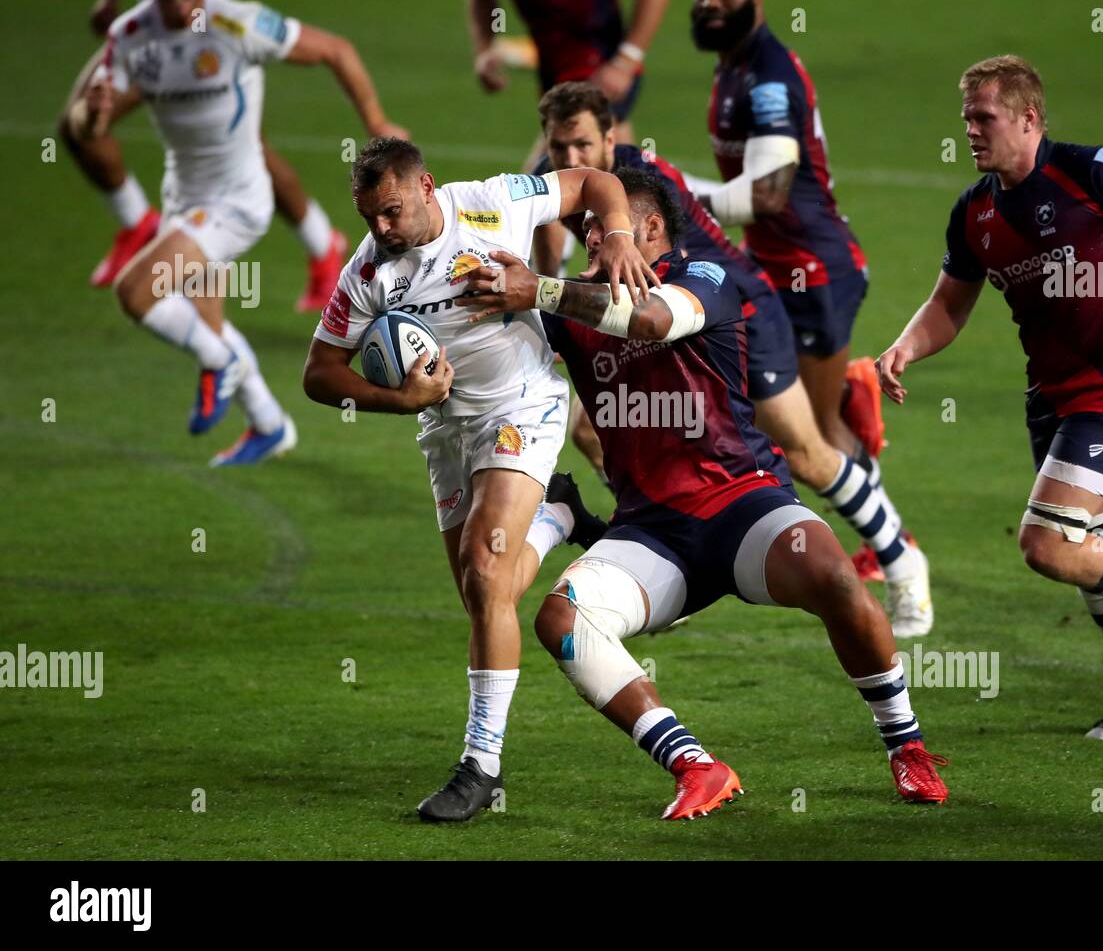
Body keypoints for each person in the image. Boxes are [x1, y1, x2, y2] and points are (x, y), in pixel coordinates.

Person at [457, 167, 951, 818]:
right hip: (653, 532)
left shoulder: (706, 277)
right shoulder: (570, 306)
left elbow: (653, 321)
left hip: (741, 502)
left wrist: (541, 288)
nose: (590, 240)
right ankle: (697, 764)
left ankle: (906, 743)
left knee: (833, 572)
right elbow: (495, 344)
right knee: (560, 618)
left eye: (600, 230)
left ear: (649, 229)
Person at [302, 137, 657, 822]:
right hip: (444, 429)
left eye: (393, 211)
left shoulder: (492, 204)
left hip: (523, 405)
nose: (381, 229)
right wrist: (401, 401)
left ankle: (481, 765)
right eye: (369, 215)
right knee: (480, 593)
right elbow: (319, 372)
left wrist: (614, 236)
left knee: (487, 572)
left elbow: (590, 180)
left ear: (428, 187)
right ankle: (556, 515)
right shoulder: (368, 273)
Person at [877, 55, 1103, 739]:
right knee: (1092, 551)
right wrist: (904, 346)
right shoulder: (975, 211)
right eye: (966, 119)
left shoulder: (1088, 171)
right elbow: (949, 304)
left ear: (1029, 117)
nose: (971, 131)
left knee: (1046, 543)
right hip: (1051, 397)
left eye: (985, 117)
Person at [530, 81, 935, 635]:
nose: (571, 159)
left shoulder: (643, 184)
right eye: (559, 149)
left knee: (806, 453)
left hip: (723, 313)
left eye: (581, 145)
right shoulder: (565, 190)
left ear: (609, 136)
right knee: (593, 427)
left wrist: (553, 295)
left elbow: (675, 283)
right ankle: (658, 537)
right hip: (647, 323)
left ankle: (901, 560)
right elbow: (548, 258)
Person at [69, 0, 402, 463]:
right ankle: (269, 423)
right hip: (184, 198)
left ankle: (218, 362)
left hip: (238, 202)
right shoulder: (132, 35)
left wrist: (375, 121)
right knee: (206, 323)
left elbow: (337, 50)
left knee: (137, 291)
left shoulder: (238, 25)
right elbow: (84, 127)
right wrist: (93, 114)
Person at [688, 0, 929, 605]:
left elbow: (767, 194)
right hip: (770, 270)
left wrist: (680, 197)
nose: (709, 3)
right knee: (800, 438)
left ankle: (897, 556)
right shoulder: (732, 65)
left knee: (811, 444)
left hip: (816, 274)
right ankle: (882, 543)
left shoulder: (766, 76)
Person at [66, 0, 377, 312]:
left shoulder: (229, 18)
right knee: (78, 123)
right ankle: (141, 223)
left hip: (209, 41)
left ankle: (321, 245)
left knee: (248, 155)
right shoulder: (130, 30)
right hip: (152, 40)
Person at [467, 0, 671, 164]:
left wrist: (625, 62)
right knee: (622, 173)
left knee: (549, 177)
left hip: (597, 71)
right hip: (554, 72)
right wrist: (485, 49)